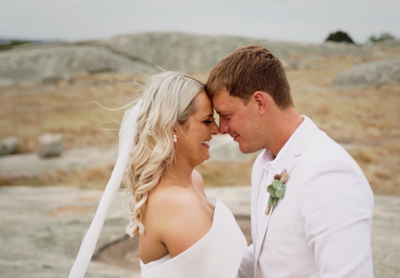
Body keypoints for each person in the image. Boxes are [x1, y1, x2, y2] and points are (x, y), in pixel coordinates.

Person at [205, 45, 374, 278]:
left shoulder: (330, 174)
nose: (222, 128)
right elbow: (271, 252)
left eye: (227, 115)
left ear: (259, 103)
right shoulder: (262, 165)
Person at [68, 71, 247, 278]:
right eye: (207, 121)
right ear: (173, 127)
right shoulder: (178, 205)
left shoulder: (193, 182)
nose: (216, 129)